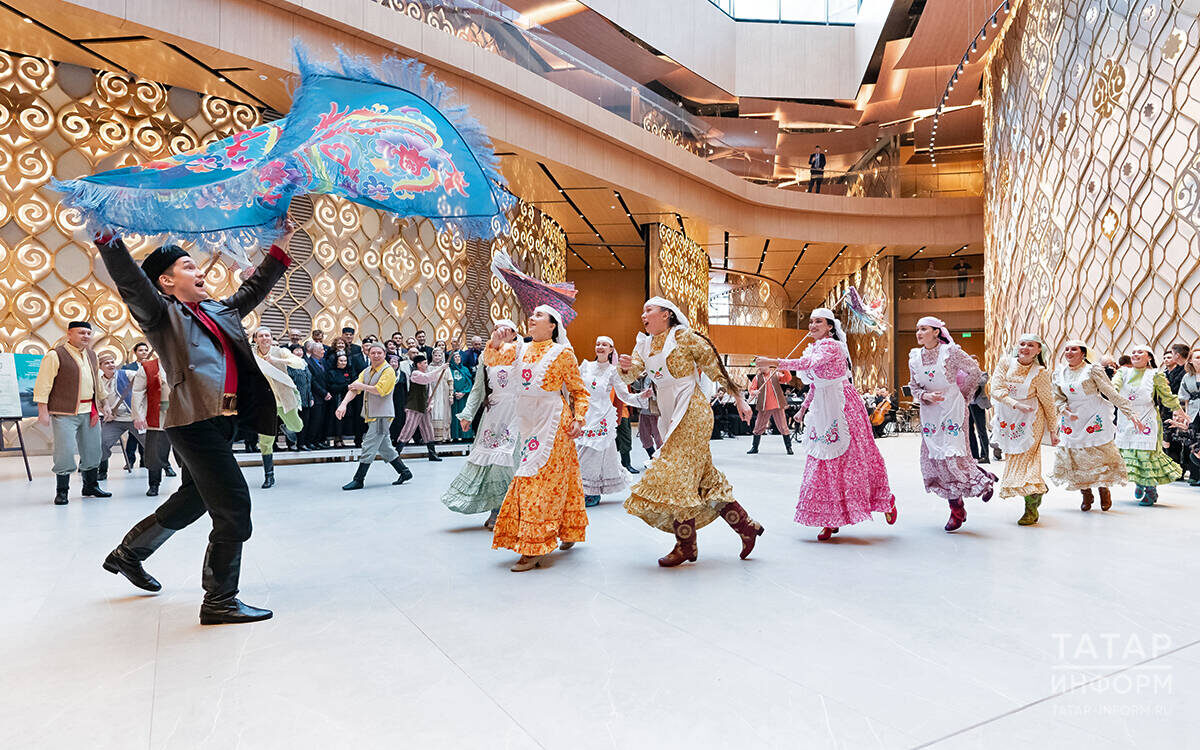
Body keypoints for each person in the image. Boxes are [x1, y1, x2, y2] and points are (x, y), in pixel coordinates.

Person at [96, 225, 294, 625]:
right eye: (188, 266)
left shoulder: (220, 311)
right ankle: (220, 599)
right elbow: (130, 280)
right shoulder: (161, 313)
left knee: (194, 499)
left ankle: (129, 553)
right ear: (166, 281)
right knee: (234, 505)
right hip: (193, 422)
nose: (199, 270)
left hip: (222, 422)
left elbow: (255, 287)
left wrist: (282, 244)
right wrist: (106, 238)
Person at [620, 298, 761, 567]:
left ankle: (685, 545)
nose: (643, 315)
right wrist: (626, 366)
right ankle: (746, 527)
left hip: (693, 411)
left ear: (666, 314)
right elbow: (631, 374)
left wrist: (739, 398)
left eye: (649, 310)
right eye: (643, 310)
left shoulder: (685, 337)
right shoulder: (644, 344)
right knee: (704, 478)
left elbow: (715, 367)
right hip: (668, 412)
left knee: (677, 475)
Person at [762, 309, 896, 542]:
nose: (812, 325)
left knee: (853, 458)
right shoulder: (815, 348)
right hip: (822, 408)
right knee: (822, 459)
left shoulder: (832, 346)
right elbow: (815, 384)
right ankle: (829, 517)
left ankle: (885, 500)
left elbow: (807, 364)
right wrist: (803, 409)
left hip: (842, 405)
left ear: (830, 327)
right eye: (811, 321)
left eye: (818, 321)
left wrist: (774, 362)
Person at [491, 306, 590, 571]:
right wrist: (497, 341)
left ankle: (533, 546)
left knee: (538, 478)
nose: (531, 318)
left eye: (538, 316)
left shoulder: (562, 353)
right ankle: (568, 528)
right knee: (559, 476)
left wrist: (579, 418)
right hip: (528, 421)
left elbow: (579, 391)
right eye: (531, 315)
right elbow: (494, 359)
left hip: (554, 421)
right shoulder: (519, 349)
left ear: (552, 326)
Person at [907, 317, 996, 531]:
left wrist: (963, 395)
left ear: (937, 332)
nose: (919, 333)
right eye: (917, 329)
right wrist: (925, 395)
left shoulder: (951, 352)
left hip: (953, 409)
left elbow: (974, 371)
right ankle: (981, 481)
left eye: (924, 329)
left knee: (953, 455)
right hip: (930, 411)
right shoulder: (914, 357)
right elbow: (913, 386)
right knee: (938, 459)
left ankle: (957, 509)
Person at [442, 320, 522, 529]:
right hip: (493, 413)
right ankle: (497, 507)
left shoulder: (523, 351)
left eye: (505, 329)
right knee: (490, 463)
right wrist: (467, 414)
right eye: (496, 329)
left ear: (514, 334)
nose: (499, 332)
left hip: (517, 413)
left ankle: (514, 510)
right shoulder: (486, 355)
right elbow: (478, 388)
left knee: (511, 461)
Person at [1050, 340, 1144, 511]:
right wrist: (1064, 410)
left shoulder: (1093, 370)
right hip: (1071, 419)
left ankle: (1103, 489)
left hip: (1094, 416)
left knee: (1098, 456)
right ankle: (1086, 493)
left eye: (1074, 349)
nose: (1069, 352)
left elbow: (1110, 392)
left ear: (1083, 353)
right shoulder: (1059, 373)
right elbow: (1057, 397)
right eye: (1067, 349)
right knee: (1075, 457)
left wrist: (1129, 413)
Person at [34, 320, 109, 505]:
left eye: (88, 333)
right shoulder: (55, 355)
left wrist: (105, 403)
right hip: (64, 412)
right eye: (81, 332)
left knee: (93, 450)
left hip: (90, 411)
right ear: (69, 334)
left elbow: (97, 383)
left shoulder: (92, 355)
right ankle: (62, 491)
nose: (86, 336)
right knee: (64, 452)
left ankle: (90, 486)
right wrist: (42, 410)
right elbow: (43, 384)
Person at [991, 333, 1059, 525]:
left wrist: (1053, 430)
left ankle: (1031, 508)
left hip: (1032, 421)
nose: (1025, 348)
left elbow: (1048, 402)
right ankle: (1037, 489)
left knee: (1029, 462)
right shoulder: (1005, 363)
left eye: (1031, 345)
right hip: (1008, 419)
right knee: (1014, 460)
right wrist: (1015, 404)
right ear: (1017, 346)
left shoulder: (1040, 372)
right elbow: (996, 389)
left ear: (1038, 350)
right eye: (1022, 344)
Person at [1114, 344, 1186, 505]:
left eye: (1140, 352)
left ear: (1149, 357)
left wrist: (1182, 413)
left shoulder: (1155, 375)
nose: (1135, 354)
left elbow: (1167, 397)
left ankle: (1150, 489)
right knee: (1129, 455)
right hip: (1126, 419)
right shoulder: (1122, 372)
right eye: (1133, 352)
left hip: (1147, 420)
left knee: (1146, 455)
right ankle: (1139, 482)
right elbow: (1113, 389)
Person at [337, 342, 413, 489]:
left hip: (382, 416)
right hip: (372, 414)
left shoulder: (388, 371)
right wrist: (343, 404)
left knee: (368, 445)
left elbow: (379, 390)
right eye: (373, 353)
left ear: (384, 354)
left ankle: (359, 479)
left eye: (379, 353)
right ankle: (404, 472)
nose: (376, 355)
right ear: (368, 354)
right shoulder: (366, 371)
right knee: (385, 448)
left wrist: (361, 386)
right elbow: (354, 388)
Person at [576, 336, 640, 507]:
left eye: (605, 345)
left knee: (594, 455)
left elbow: (623, 395)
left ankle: (591, 492)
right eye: (598, 344)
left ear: (611, 349)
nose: (600, 347)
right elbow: (574, 387)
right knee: (581, 454)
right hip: (585, 415)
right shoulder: (586, 366)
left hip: (602, 417)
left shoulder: (613, 371)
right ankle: (584, 490)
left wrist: (641, 398)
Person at [251, 327, 304, 488]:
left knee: (297, 427)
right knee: (265, 440)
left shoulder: (280, 352)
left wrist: (277, 361)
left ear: (271, 338)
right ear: (255, 339)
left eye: (267, 335)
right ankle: (269, 476)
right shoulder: (251, 354)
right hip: (264, 402)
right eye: (261, 336)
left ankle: (285, 427)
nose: (264, 338)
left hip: (283, 399)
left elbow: (300, 363)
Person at [131, 351, 172, 496]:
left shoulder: (185, 363)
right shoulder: (148, 367)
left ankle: (190, 486)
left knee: (189, 453)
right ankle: (154, 484)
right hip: (158, 415)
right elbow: (137, 392)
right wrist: (138, 415)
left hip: (182, 413)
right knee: (154, 451)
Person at [395, 353, 448, 461]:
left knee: (428, 429)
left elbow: (429, 391)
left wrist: (430, 404)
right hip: (414, 406)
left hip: (424, 406)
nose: (426, 365)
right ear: (419, 364)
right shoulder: (415, 374)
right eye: (425, 363)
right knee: (409, 428)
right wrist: (441, 368)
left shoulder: (425, 374)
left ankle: (432, 454)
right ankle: (396, 453)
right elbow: (427, 378)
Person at [97, 351, 138, 480]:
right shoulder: (98, 382)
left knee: (151, 444)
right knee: (102, 443)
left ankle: (166, 466)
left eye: (112, 362)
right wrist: (105, 412)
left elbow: (142, 378)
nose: (111, 365)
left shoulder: (126, 374)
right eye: (106, 363)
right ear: (100, 366)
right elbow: (98, 401)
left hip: (134, 418)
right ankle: (102, 471)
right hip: (114, 420)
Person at [746, 360, 793, 455]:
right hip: (764, 405)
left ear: (767, 365)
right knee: (758, 426)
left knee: (783, 426)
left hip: (777, 404)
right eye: (759, 366)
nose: (760, 368)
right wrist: (754, 392)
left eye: (761, 365)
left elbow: (787, 378)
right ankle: (754, 447)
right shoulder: (757, 377)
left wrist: (784, 368)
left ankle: (789, 448)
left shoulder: (776, 374)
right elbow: (751, 389)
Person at [1176, 348, 1200, 485]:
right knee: (1193, 443)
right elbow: (1184, 398)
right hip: (1193, 411)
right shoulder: (1187, 377)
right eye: (1197, 357)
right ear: (1190, 360)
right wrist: (1184, 416)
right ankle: (1194, 475)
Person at [303, 342, 331, 450]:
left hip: (325, 396)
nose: (324, 351)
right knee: (315, 421)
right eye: (322, 349)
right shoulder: (308, 363)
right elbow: (313, 381)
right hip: (316, 396)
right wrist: (323, 393)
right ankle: (310, 441)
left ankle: (318, 441)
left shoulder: (323, 361)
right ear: (315, 351)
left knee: (321, 421)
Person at [325, 352, 356, 447]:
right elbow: (331, 386)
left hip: (348, 398)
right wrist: (345, 387)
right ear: (337, 362)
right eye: (341, 361)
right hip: (336, 399)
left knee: (346, 419)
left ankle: (342, 438)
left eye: (345, 361)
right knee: (336, 419)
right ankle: (337, 439)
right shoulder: (331, 372)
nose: (343, 363)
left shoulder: (349, 371)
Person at [449, 350, 474, 442]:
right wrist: (454, 392)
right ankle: (455, 436)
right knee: (454, 416)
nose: (457, 358)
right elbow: (448, 382)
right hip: (454, 397)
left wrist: (463, 392)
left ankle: (465, 435)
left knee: (465, 415)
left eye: (459, 357)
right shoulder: (449, 370)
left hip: (464, 397)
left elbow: (469, 382)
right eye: (455, 357)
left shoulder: (465, 369)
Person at [429, 347, 453, 443]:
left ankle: (444, 436)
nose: (437, 357)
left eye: (439, 355)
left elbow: (450, 381)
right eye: (435, 355)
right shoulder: (429, 368)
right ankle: (432, 436)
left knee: (444, 413)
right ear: (432, 356)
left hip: (444, 393)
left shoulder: (446, 368)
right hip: (432, 392)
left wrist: (451, 395)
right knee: (433, 412)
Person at [967, 370, 992, 464]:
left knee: (981, 431)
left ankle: (985, 456)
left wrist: (971, 377)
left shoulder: (983, 374)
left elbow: (982, 381)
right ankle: (974, 455)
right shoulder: (965, 374)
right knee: (970, 431)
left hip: (979, 406)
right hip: (968, 405)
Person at [386, 353, 410, 445]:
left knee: (400, 419)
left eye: (395, 362)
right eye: (392, 362)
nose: (394, 364)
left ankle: (399, 438)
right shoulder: (385, 374)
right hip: (388, 400)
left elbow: (406, 389)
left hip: (400, 401)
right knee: (390, 420)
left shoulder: (402, 374)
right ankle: (390, 438)